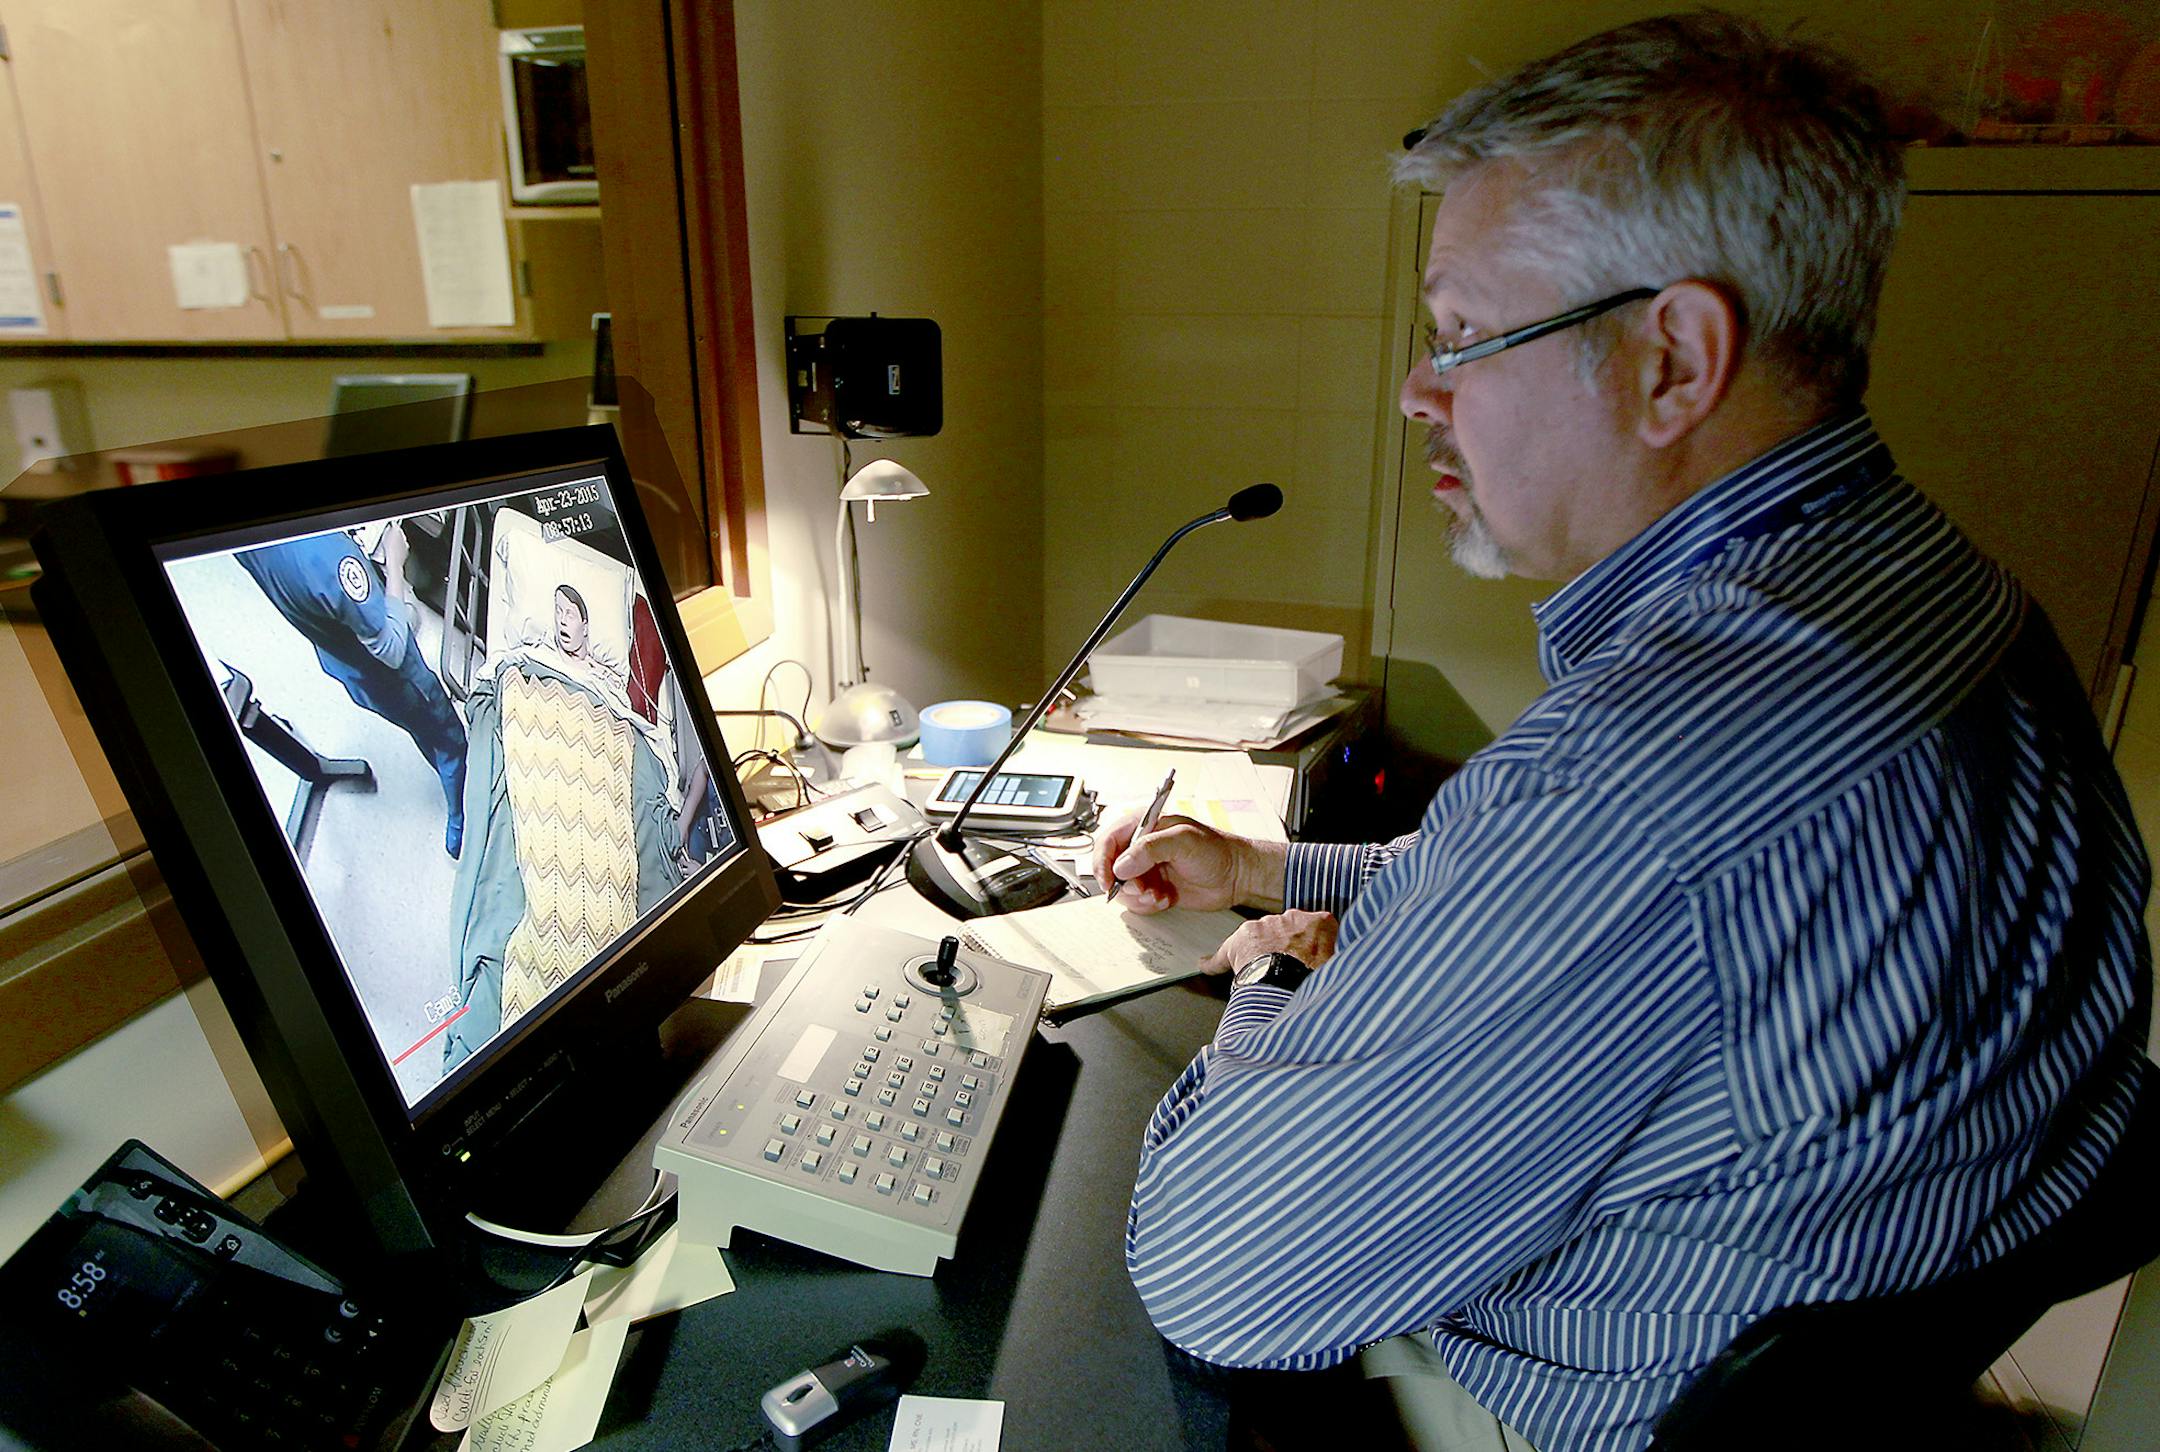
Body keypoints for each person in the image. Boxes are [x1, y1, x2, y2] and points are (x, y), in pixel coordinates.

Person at [1099, 14, 2151, 1451]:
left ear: (1673, 360)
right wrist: (1272, 869)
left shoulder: (1642, 773)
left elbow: (1220, 1274)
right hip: (1869, 1344)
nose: (1420, 388)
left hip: (1575, 1406)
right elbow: (1616, 909)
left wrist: (1279, 978)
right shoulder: (1951, 596)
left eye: (1467, 333)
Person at [238, 522, 469, 857]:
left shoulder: (244, 539)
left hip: (345, 661)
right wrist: (394, 561)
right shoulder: (325, 556)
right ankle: (461, 817)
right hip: (392, 674)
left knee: (416, 725)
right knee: (446, 737)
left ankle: (383, 615)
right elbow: (390, 650)